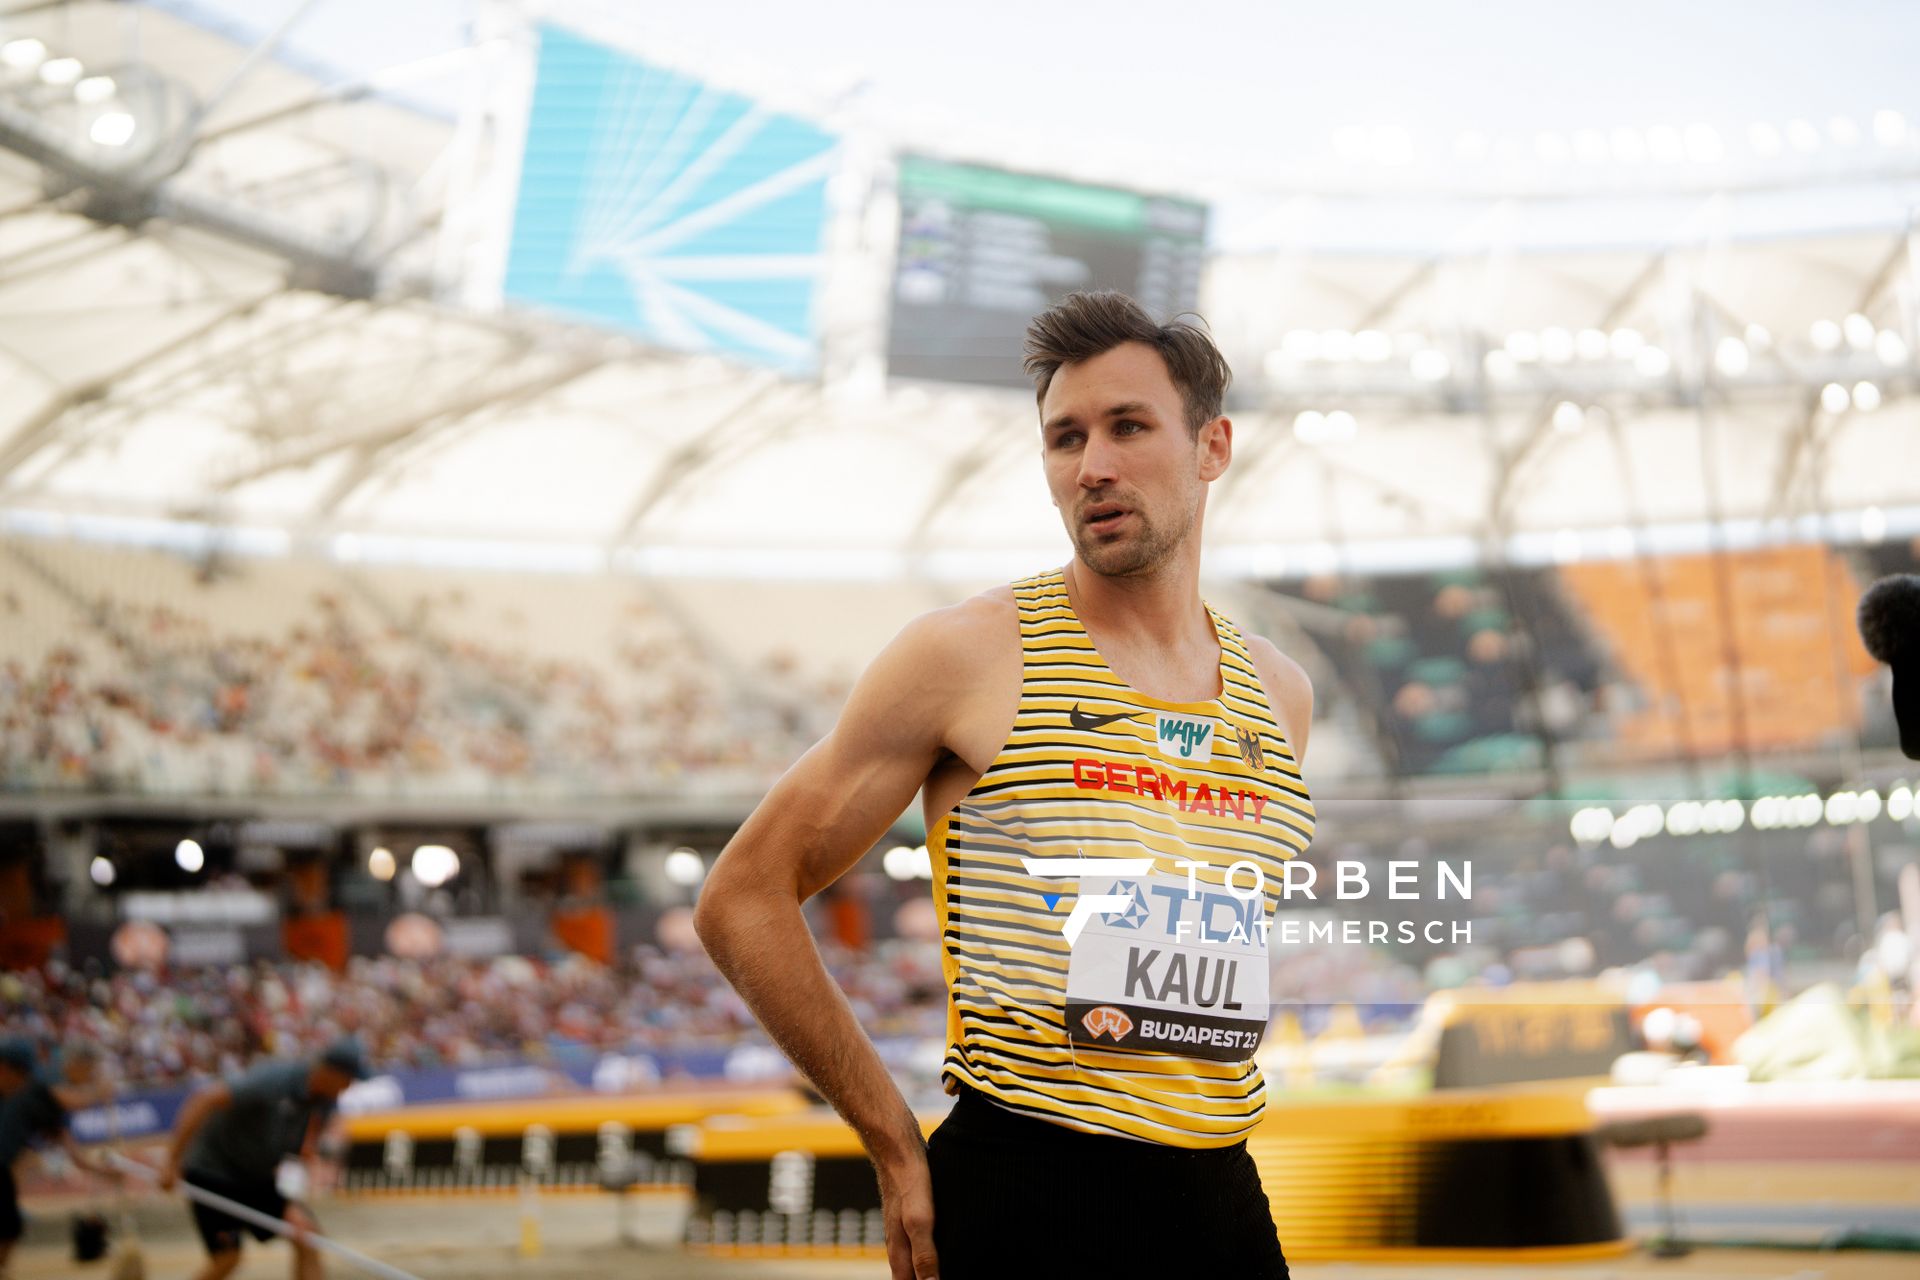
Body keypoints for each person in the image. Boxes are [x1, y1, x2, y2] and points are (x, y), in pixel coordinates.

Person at [697, 290, 1314, 1279]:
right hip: (1028, 1189)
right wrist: (891, 1137)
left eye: (1128, 426)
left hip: (1222, 1197)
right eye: (1064, 438)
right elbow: (742, 895)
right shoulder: (970, 654)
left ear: (1212, 446)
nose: (1094, 466)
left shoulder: (1281, 697)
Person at [161, 1039, 366, 1280]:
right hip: (213, 1172)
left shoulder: (325, 1099)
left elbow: (310, 1138)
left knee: (307, 1235)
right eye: (349, 1078)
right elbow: (205, 1100)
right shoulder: (273, 1080)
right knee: (227, 1259)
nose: (350, 1086)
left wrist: (310, 1157)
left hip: (255, 1177)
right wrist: (172, 1163)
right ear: (330, 1072)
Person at [0, 1039, 117, 1274]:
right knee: (9, 1227)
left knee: (11, 1227)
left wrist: (105, 1172)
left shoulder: (43, 1102)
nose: (89, 1077)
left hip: (3, 1169)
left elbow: (73, 1153)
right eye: (89, 1071)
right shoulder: (44, 1081)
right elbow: (73, 1100)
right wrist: (98, 1092)